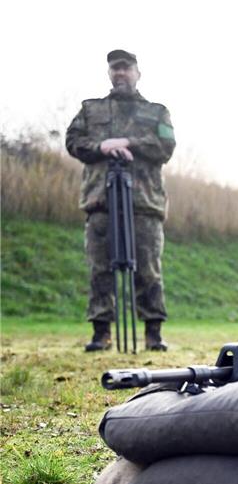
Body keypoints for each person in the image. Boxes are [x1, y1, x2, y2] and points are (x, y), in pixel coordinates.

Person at [66, 49, 176, 352]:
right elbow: (73, 141)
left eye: (126, 68)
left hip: (144, 203)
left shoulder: (157, 111)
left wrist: (128, 143)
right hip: (101, 200)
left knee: (149, 269)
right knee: (100, 268)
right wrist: (103, 146)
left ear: (137, 72)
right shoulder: (91, 109)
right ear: (109, 73)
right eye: (115, 68)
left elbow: (165, 146)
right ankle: (101, 333)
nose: (120, 73)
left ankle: (154, 333)